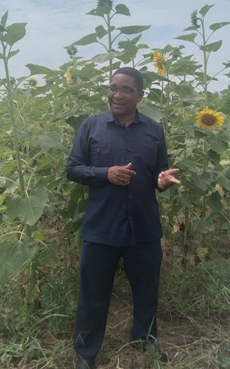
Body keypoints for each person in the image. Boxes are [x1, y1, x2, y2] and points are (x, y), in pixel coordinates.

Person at [67, 67, 180, 369]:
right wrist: (105, 174)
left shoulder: (154, 130)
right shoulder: (91, 127)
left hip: (143, 227)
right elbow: (73, 169)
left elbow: (160, 171)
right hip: (102, 227)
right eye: (113, 87)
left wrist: (163, 181)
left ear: (140, 95)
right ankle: (86, 352)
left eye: (126, 89)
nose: (117, 94)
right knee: (93, 294)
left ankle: (145, 340)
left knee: (146, 290)